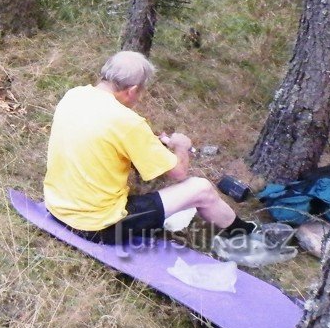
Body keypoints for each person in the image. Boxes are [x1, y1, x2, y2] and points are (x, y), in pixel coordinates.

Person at [43, 51, 256, 244]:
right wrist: (181, 146)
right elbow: (179, 173)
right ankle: (244, 234)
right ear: (133, 90)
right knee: (201, 188)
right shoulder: (128, 122)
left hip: (57, 206)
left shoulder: (74, 95)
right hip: (96, 226)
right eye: (141, 92)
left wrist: (150, 142)